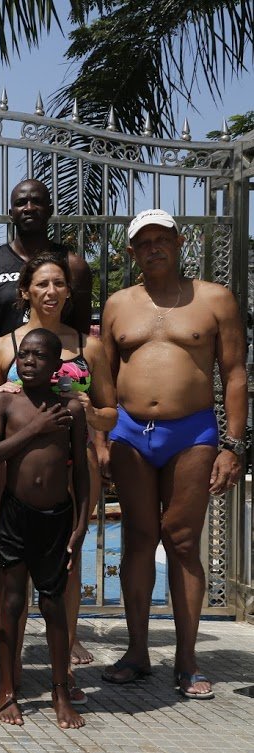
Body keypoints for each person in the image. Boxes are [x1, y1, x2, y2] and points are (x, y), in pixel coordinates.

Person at [100, 209, 247, 699]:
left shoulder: (215, 298)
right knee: (139, 538)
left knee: (182, 540)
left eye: (162, 239)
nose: (154, 248)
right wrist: (101, 440)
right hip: (129, 432)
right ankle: (137, 652)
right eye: (144, 242)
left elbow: (235, 374)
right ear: (131, 252)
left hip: (192, 432)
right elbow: (104, 377)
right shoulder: (118, 304)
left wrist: (233, 445)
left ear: (180, 243)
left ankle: (187, 659)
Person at [0, 180, 93, 657]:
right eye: (21, 201)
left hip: (65, 438)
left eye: (38, 199)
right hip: (7, 425)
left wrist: (83, 410)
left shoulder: (72, 267)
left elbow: (82, 338)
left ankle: (66, 637)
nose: (30, 207)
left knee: (65, 538)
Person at [0, 251, 117, 697]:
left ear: (69, 290)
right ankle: (12, 672)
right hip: (17, 471)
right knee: (13, 578)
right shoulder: (3, 347)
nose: (51, 291)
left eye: (59, 282)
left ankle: (65, 667)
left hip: (72, 465)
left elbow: (110, 413)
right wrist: (13, 400)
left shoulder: (88, 345)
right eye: (41, 283)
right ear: (25, 291)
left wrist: (85, 411)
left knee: (65, 570)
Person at [0, 327, 89, 729]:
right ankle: (8, 688)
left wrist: (81, 524)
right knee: (11, 602)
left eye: (39, 356)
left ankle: (60, 690)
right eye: (24, 354)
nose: (29, 361)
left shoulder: (71, 408)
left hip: (56, 516)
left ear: (56, 364)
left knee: (53, 603)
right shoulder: (5, 403)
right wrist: (34, 429)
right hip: (16, 514)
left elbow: (81, 471)